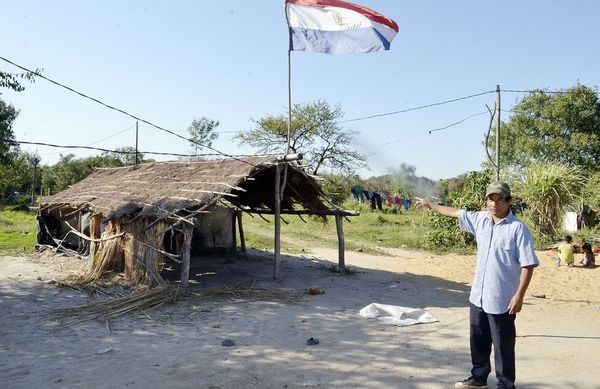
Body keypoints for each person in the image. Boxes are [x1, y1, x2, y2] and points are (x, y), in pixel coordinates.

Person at [415, 182, 538, 389]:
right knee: (478, 339)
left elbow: (528, 264)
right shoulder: (480, 219)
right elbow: (454, 212)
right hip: (478, 296)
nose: (495, 204)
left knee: (503, 346)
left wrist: (519, 295)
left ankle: (506, 385)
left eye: (500, 200)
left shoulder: (518, 228)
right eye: (491, 199)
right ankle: (479, 377)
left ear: (508, 202)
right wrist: (430, 204)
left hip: (503, 299)